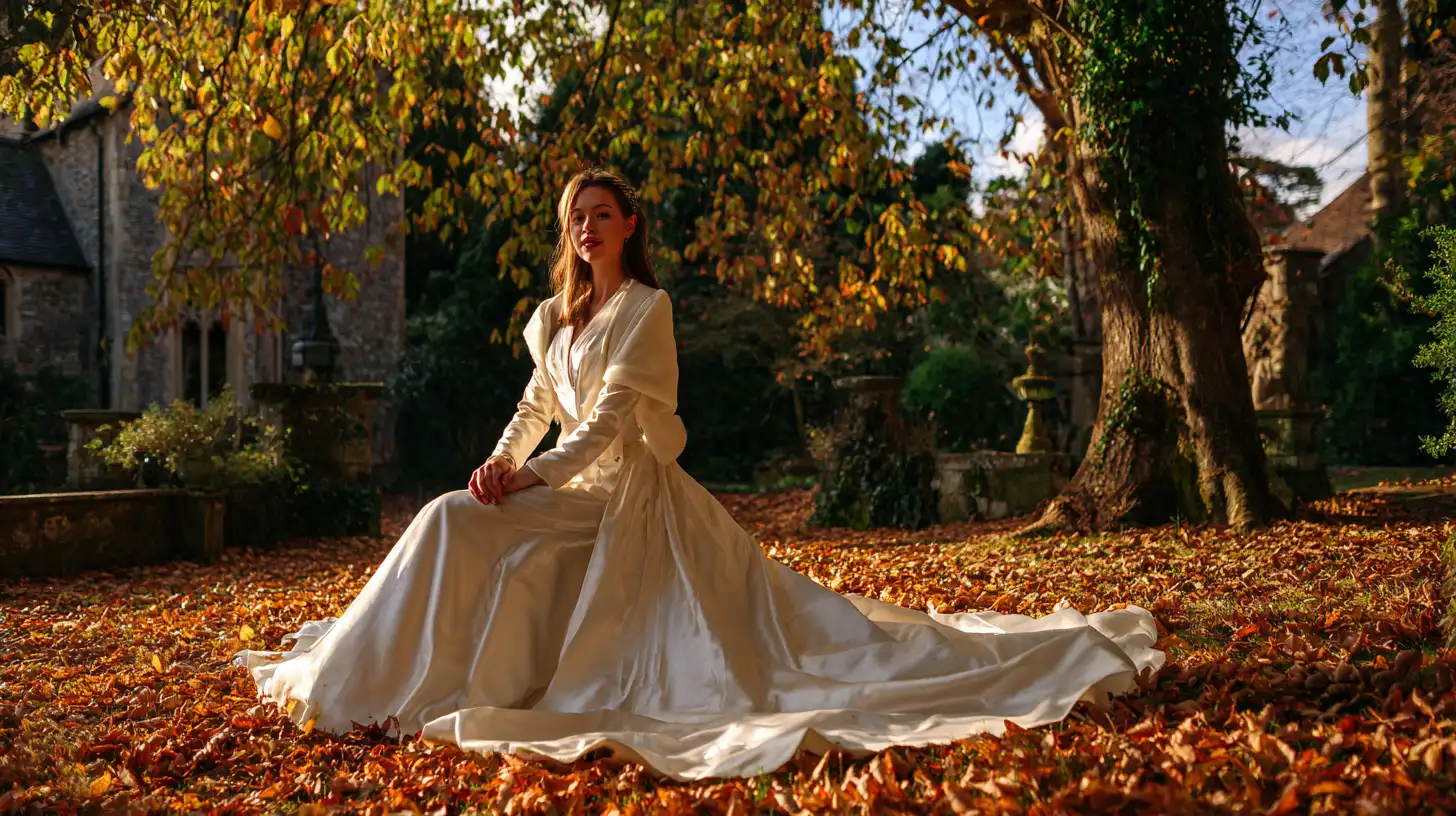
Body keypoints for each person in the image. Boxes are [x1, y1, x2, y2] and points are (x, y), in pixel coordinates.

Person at [236, 167, 1164, 782]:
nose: (587, 228)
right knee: (448, 512)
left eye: (602, 215)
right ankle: (370, 679)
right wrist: (497, 463)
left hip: (623, 498)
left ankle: (396, 687)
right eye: (576, 218)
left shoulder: (648, 308)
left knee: (447, 520)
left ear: (629, 226)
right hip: (559, 485)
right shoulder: (551, 317)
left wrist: (533, 480)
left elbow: (608, 423)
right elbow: (534, 406)